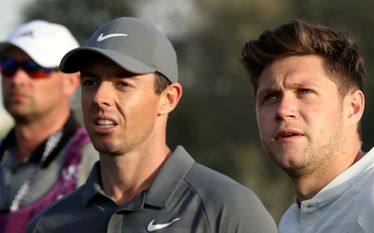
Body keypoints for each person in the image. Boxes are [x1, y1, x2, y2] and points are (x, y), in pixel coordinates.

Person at [25, 17, 278, 233]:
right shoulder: (48, 224)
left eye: (122, 83)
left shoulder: (227, 210)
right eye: (90, 82)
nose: (100, 97)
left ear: (168, 99)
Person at [239, 19, 374, 233]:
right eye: (271, 96)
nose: (283, 110)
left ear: (353, 107)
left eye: (305, 92)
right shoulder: (291, 221)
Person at [0, 20, 98, 233]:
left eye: (34, 68)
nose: (17, 78)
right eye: (8, 65)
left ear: (70, 82)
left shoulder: (93, 162)